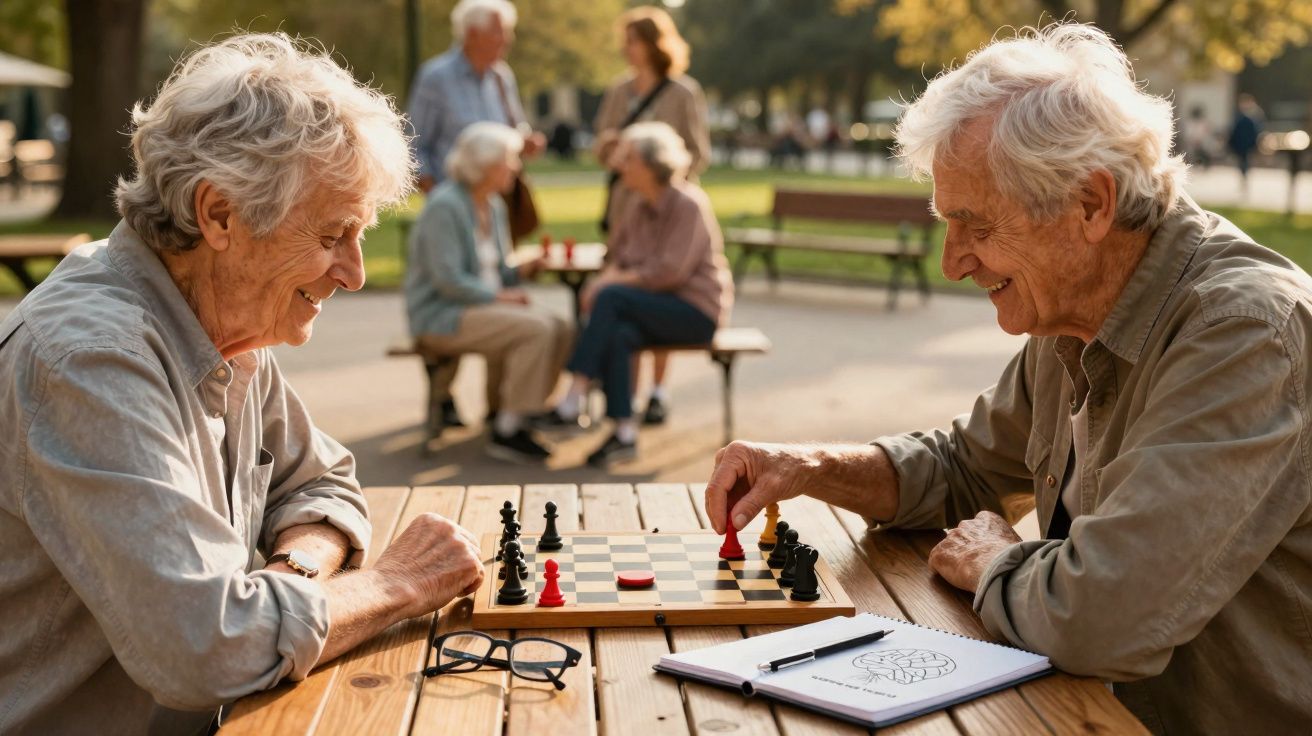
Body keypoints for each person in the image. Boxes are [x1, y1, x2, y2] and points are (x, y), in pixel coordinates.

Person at [703, 24, 1312, 734]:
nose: (952, 262)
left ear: (1090, 204)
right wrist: (806, 467)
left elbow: (1100, 620)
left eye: (976, 225)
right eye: (945, 224)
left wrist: (998, 558)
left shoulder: (1244, 333)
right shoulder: (1076, 308)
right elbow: (963, 470)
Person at [0, 34, 487, 734]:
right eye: (331, 235)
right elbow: (208, 648)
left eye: (360, 235)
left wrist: (289, 576)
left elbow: (324, 483)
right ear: (220, 215)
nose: (352, 272)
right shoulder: (89, 360)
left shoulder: (224, 321)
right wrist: (394, 584)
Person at [545, 122, 732, 466]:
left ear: (651, 164)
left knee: (612, 297)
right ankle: (625, 433)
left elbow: (669, 272)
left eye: (628, 158)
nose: (620, 164)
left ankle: (574, 395)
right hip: (653, 307)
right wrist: (611, 275)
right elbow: (615, 254)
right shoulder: (637, 204)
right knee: (620, 333)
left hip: (695, 312)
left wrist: (609, 282)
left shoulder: (687, 204)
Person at [407, 0, 547, 433]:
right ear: (471, 34)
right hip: (454, 195)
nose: (507, 42)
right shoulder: (437, 77)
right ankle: (450, 399)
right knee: (473, 288)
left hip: (490, 197)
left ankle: (502, 409)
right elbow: (413, 141)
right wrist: (441, 193)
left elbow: (513, 128)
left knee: (496, 285)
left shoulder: (502, 78)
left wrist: (522, 146)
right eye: (498, 33)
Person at [405, 122, 572, 464]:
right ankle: (508, 430)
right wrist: (500, 297)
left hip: (482, 308)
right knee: (536, 329)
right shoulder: (444, 206)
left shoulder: (492, 204)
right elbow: (448, 280)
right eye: (509, 160)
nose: (515, 167)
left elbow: (498, 271)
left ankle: (521, 411)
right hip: (442, 314)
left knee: (561, 326)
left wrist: (523, 268)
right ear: (485, 165)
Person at [593, 5, 711, 427]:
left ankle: (659, 391)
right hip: (624, 208)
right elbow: (600, 149)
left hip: (667, 210)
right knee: (628, 300)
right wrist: (611, 146)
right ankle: (629, 392)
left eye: (633, 40)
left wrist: (665, 178)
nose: (627, 49)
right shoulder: (618, 91)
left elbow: (699, 151)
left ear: (652, 43)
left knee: (662, 290)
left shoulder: (682, 93)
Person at [1227, 93, 1264, 198]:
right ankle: (1244, 179)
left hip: (1246, 145)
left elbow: (1255, 133)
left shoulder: (1251, 119)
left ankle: (1244, 180)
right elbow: (1234, 132)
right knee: (1242, 163)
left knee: (1244, 163)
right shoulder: (1241, 118)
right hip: (1241, 144)